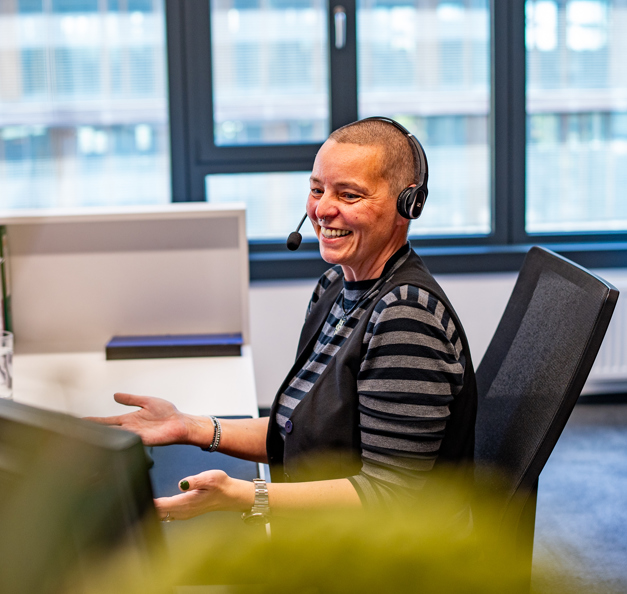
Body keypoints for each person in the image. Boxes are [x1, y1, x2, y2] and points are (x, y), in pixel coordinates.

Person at [88, 117, 477, 523]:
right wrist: (189, 426)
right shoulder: (335, 287)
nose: (323, 209)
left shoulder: (405, 317)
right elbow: (301, 428)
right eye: (316, 189)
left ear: (407, 205)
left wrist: (246, 496)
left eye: (349, 194)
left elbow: (389, 496)